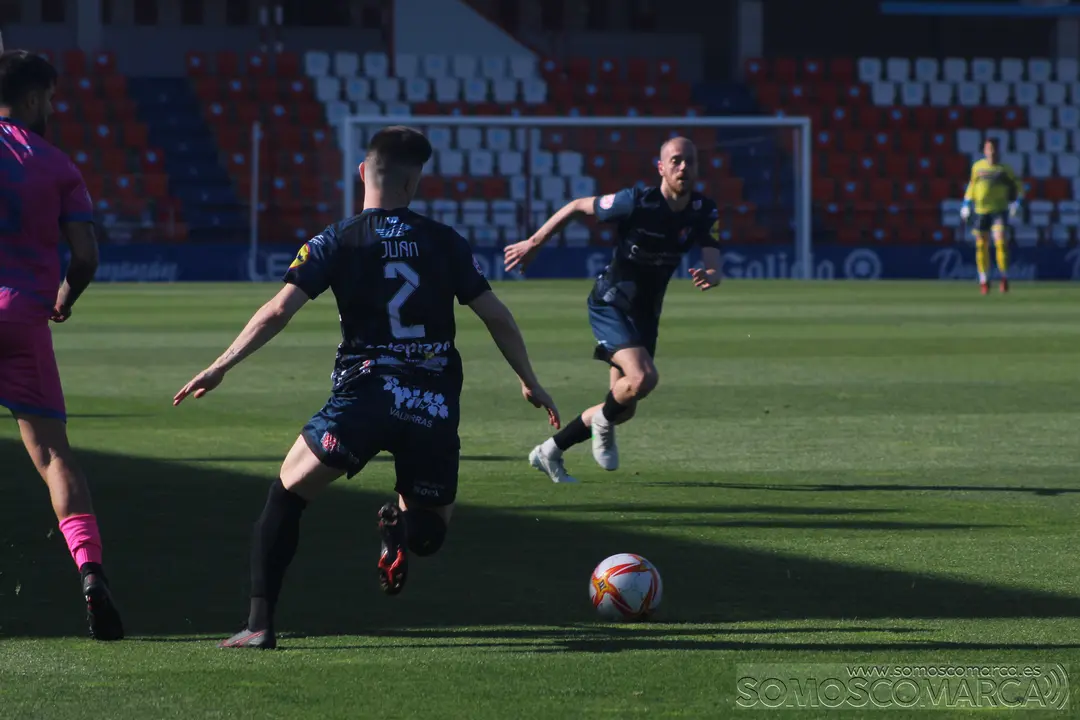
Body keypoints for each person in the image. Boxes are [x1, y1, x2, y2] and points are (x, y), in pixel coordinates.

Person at [174, 126, 560, 650]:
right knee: (429, 531)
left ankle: (259, 626)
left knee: (287, 493)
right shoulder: (445, 241)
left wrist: (221, 365)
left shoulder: (335, 238)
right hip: (432, 402)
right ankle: (400, 533)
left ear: (363, 172)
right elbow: (497, 315)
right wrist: (529, 381)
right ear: (416, 181)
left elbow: (276, 311)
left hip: (366, 396)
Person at [503, 136, 720, 484]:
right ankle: (601, 423)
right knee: (643, 379)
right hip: (611, 303)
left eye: (690, 161)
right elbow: (576, 206)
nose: (683, 167)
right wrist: (534, 242)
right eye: (676, 160)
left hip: (645, 313)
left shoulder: (704, 211)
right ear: (661, 168)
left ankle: (550, 451)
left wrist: (711, 274)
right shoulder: (634, 202)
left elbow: (714, 261)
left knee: (625, 406)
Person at [0, 50, 123, 640]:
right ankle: (91, 572)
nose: (52, 108)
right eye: (48, 98)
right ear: (30, 99)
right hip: (22, 316)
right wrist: (64, 297)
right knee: (52, 456)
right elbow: (86, 255)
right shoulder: (57, 166)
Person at [960, 137, 1024, 294]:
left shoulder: (1004, 170)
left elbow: (1019, 188)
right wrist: (966, 204)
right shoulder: (978, 167)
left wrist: (1017, 203)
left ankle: (1004, 277)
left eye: (994, 148)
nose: (992, 152)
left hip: (998, 210)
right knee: (981, 245)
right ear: (985, 151)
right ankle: (984, 280)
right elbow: (972, 186)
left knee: (1000, 242)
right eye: (989, 148)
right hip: (981, 211)